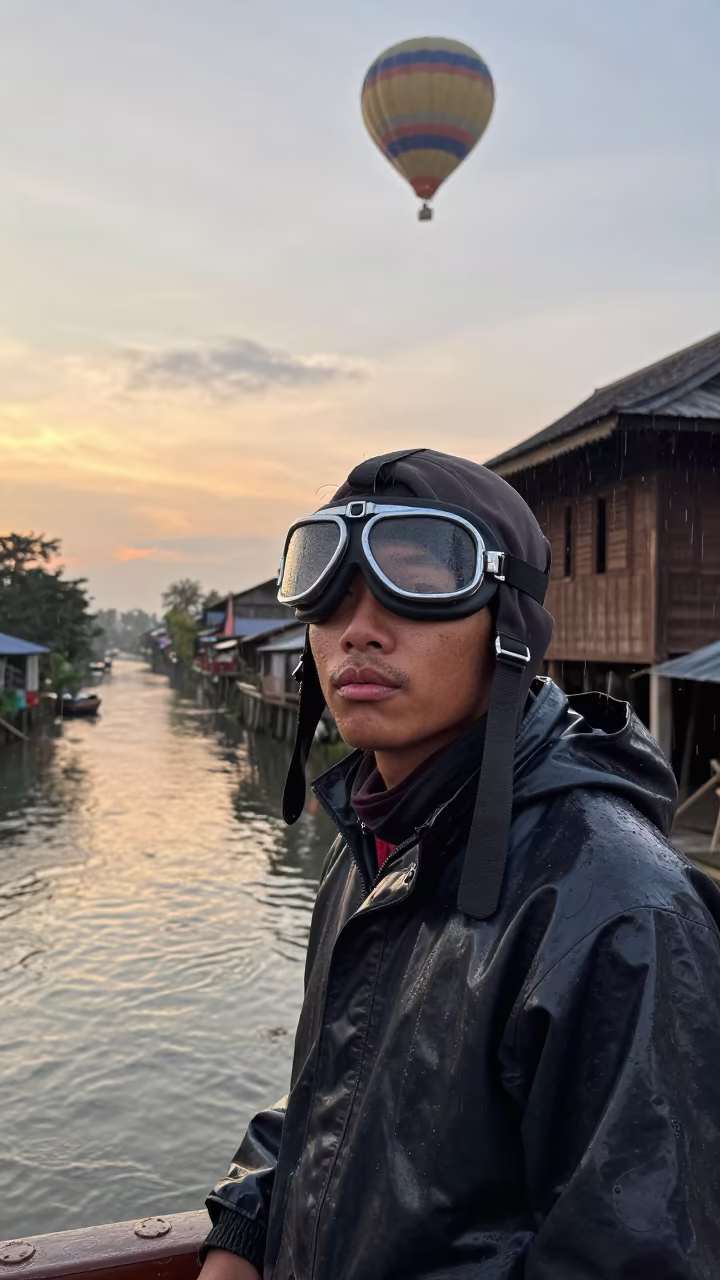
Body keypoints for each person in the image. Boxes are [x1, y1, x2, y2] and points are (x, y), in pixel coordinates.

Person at [199, 449, 720, 1279]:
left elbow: (635, 1251)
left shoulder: (617, 911)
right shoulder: (375, 839)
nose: (358, 628)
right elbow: (335, 1084)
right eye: (329, 593)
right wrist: (244, 1237)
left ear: (507, 626)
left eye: (415, 582)